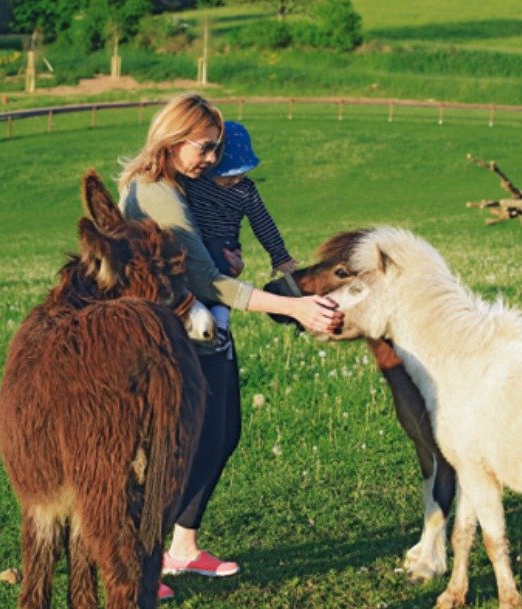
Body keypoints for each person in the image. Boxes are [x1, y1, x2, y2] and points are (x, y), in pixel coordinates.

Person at [117, 93, 341, 602]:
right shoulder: (156, 194)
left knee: (222, 434)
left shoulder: (179, 186)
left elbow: (216, 252)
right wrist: (294, 308)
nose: (214, 160)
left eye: (217, 149)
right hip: (174, 336)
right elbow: (204, 277)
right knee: (179, 449)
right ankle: (141, 562)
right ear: (173, 139)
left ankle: (182, 548)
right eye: (207, 147)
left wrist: (234, 259)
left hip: (198, 329)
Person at [181, 120, 299, 342]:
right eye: (229, 174)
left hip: (222, 245)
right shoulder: (194, 182)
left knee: (219, 273)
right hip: (194, 241)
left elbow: (263, 222)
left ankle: (221, 320)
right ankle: (191, 312)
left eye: (242, 174)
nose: (236, 179)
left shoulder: (246, 192)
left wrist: (279, 256)